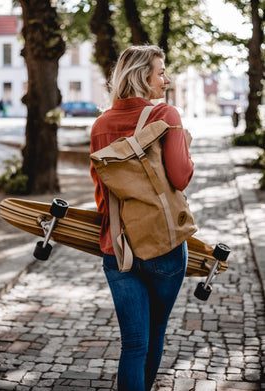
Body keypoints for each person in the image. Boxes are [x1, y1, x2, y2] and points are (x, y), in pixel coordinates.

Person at [90, 45, 194, 391]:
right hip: (162, 244)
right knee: (155, 334)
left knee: (132, 344)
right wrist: (187, 153)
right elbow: (180, 178)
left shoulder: (100, 125)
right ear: (141, 78)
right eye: (160, 73)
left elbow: (101, 195)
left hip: (117, 248)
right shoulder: (166, 114)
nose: (166, 80)